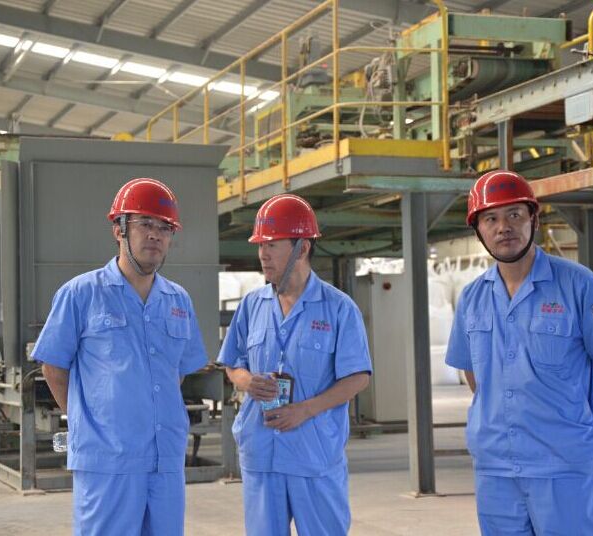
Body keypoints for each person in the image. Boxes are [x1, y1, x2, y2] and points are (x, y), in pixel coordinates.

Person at [445, 170, 593, 535]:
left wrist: (572, 416)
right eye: (490, 219)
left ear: (534, 218)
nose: (503, 227)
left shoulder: (578, 284)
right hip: (496, 467)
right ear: (478, 230)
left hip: (562, 465)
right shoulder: (472, 297)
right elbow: (473, 374)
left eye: (514, 214)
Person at [32, 178, 209, 536]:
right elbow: (53, 367)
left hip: (165, 460)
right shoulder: (81, 294)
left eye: (165, 228)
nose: (155, 235)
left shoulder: (178, 300)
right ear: (119, 230)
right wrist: (88, 422)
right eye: (145, 224)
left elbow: (176, 372)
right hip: (108, 461)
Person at [218, 194, 372, 536]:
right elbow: (232, 363)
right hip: (261, 453)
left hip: (313, 455)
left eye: (272, 244)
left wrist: (305, 410)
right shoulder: (252, 305)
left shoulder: (339, 308)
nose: (263, 254)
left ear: (302, 248)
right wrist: (246, 381)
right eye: (261, 245)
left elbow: (358, 376)